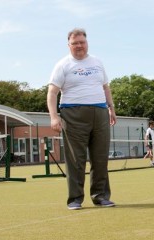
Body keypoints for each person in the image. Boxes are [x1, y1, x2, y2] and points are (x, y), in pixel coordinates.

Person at [46, 28, 117, 210]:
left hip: (100, 113)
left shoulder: (97, 62)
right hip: (73, 114)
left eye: (82, 42)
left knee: (100, 158)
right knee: (76, 159)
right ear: (69, 45)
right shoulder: (63, 65)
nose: (79, 46)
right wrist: (54, 117)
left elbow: (105, 87)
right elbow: (52, 92)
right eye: (75, 43)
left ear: (87, 43)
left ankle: (101, 196)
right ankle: (75, 199)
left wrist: (111, 108)